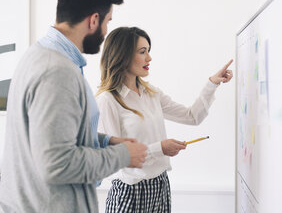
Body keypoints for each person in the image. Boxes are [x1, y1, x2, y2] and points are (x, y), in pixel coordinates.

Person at [0, 0, 147, 213]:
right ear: (93, 20)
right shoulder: (56, 72)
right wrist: (122, 155)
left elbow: (52, 136)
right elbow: (57, 163)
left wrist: (106, 142)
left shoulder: (41, 56)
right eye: (108, 21)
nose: (107, 31)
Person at [95, 27, 233, 212]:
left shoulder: (151, 93)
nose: (149, 58)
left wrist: (212, 83)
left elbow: (192, 117)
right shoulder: (108, 100)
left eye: (148, 51)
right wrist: (160, 148)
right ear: (123, 55)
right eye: (143, 52)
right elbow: (114, 157)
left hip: (160, 186)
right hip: (130, 191)